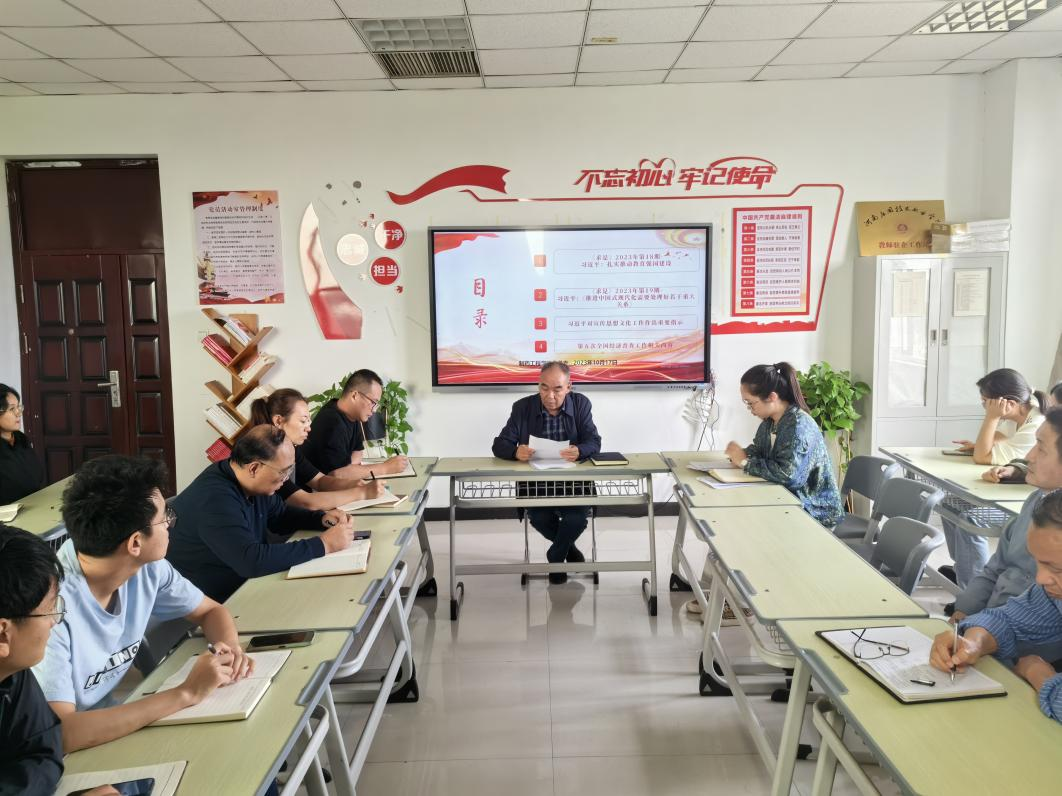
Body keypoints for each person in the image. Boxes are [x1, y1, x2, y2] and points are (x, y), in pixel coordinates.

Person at [32, 455, 249, 753]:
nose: (170, 523)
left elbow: (211, 611)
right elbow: (63, 733)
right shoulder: (48, 608)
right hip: (73, 747)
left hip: (115, 715)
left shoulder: (147, 567)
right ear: (135, 542)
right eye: (164, 517)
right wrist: (186, 692)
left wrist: (229, 651)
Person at [167, 425, 355, 602]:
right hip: (210, 601)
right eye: (284, 472)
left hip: (244, 584)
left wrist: (321, 519)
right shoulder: (214, 498)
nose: (286, 479)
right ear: (254, 468)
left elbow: (280, 516)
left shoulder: (249, 481)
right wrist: (324, 544)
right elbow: (251, 561)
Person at [930, 489, 1062, 724]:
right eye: (1038, 563)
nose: (1040, 578)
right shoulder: (1052, 593)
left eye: (1056, 568)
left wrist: (1037, 673)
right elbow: (1009, 619)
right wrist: (974, 642)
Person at [951, 409, 1062, 659]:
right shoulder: (1036, 503)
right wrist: (973, 628)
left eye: (1041, 448)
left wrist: (1041, 676)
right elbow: (1013, 614)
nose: (1028, 456)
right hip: (1005, 634)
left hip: (1033, 653)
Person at [492, 362, 602, 584]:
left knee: (576, 518)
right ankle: (569, 550)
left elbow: (594, 441)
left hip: (573, 482)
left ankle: (555, 556)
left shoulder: (580, 404)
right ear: (538, 385)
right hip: (536, 483)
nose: (550, 396)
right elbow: (499, 445)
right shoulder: (523, 407)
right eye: (544, 388)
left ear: (569, 387)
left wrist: (580, 450)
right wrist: (515, 451)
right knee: (540, 517)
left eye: (557, 389)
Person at [945, 368, 1046, 588]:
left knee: (971, 518)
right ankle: (963, 569)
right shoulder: (1019, 413)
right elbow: (992, 444)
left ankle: (974, 588)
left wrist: (991, 417)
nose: (985, 407)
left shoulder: (1036, 425)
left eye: (986, 403)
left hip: (1025, 504)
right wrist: (983, 442)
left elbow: (983, 457)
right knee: (949, 502)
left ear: (1007, 402)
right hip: (1014, 493)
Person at [724, 362, 843, 526]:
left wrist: (745, 462)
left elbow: (788, 476)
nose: (750, 409)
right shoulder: (769, 422)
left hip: (814, 511)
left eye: (750, 403)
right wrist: (741, 454)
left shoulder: (799, 426)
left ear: (772, 397)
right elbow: (761, 451)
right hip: (785, 501)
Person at [0, 525, 65, 795]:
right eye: (49, 611)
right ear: (3, 634)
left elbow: (44, 751)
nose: (54, 622)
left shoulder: (11, 671)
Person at [249, 388, 386, 510]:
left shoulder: (292, 449)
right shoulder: (267, 456)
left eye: (309, 421)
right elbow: (305, 502)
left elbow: (320, 481)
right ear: (279, 421)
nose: (309, 428)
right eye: (303, 421)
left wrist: (354, 484)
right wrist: (362, 493)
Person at [301, 370, 408, 480]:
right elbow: (337, 475)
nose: (374, 410)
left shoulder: (351, 414)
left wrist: (350, 470)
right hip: (312, 488)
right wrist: (386, 468)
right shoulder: (332, 423)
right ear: (355, 396)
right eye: (373, 402)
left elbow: (358, 452)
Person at [0, 384, 45, 505]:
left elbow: (36, 476)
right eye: (11, 409)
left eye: (18, 407)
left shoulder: (21, 439)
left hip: (34, 504)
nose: (18, 413)